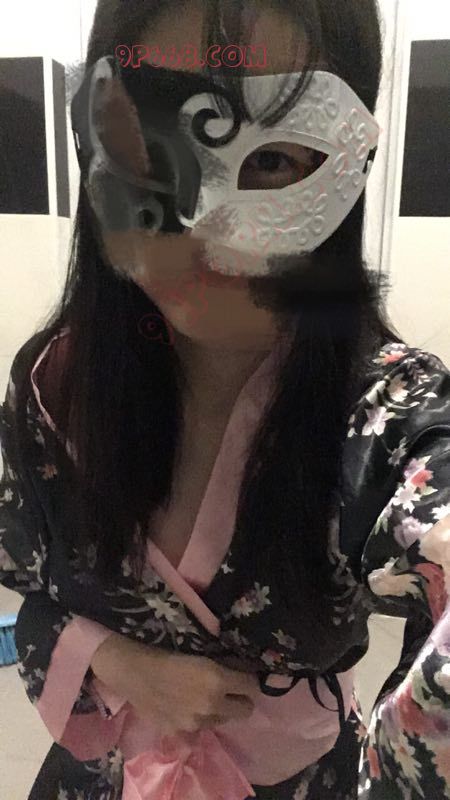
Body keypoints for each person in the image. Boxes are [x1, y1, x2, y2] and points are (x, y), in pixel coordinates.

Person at [1, 1, 449, 798]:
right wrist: (114, 659)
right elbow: (25, 581)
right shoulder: (56, 384)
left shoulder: (386, 417)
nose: (198, 227)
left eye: (271, 159)